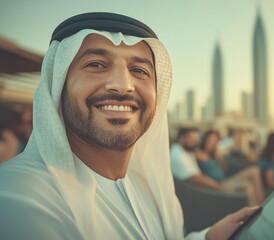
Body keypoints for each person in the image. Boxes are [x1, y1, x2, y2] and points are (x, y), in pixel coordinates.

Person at [0, 12, 259, 239]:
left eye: (139, 70)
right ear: (59, 86)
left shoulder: (151, 185)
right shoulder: (18, 197)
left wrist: (207, 238)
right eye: (96, 65)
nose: (123, 85)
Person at [170, 128, 264, 205]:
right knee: (248, 185)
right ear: (181, 138)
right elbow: (196, 178)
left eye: (196, 139)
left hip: (220, 182)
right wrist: (222, 188)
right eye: (192, 138)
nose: (195, 141)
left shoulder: (188, 152)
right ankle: (259, 212)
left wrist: (217, 154)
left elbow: (224, 169)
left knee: (253, 174)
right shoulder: (182, 154)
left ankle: (262, 206)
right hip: (215, 186)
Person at [196, 130, 265, 205]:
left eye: (215, 141)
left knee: (254, 170)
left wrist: (218, 156)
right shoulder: (198, 153)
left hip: (225, 179)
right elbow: (198, 175)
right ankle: (257, 210)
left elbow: (224, 169)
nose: (212, 143)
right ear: (205, 139)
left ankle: (262, 203)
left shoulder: (213, 154)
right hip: (218, 184)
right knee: (248, 186)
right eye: (210, 140)